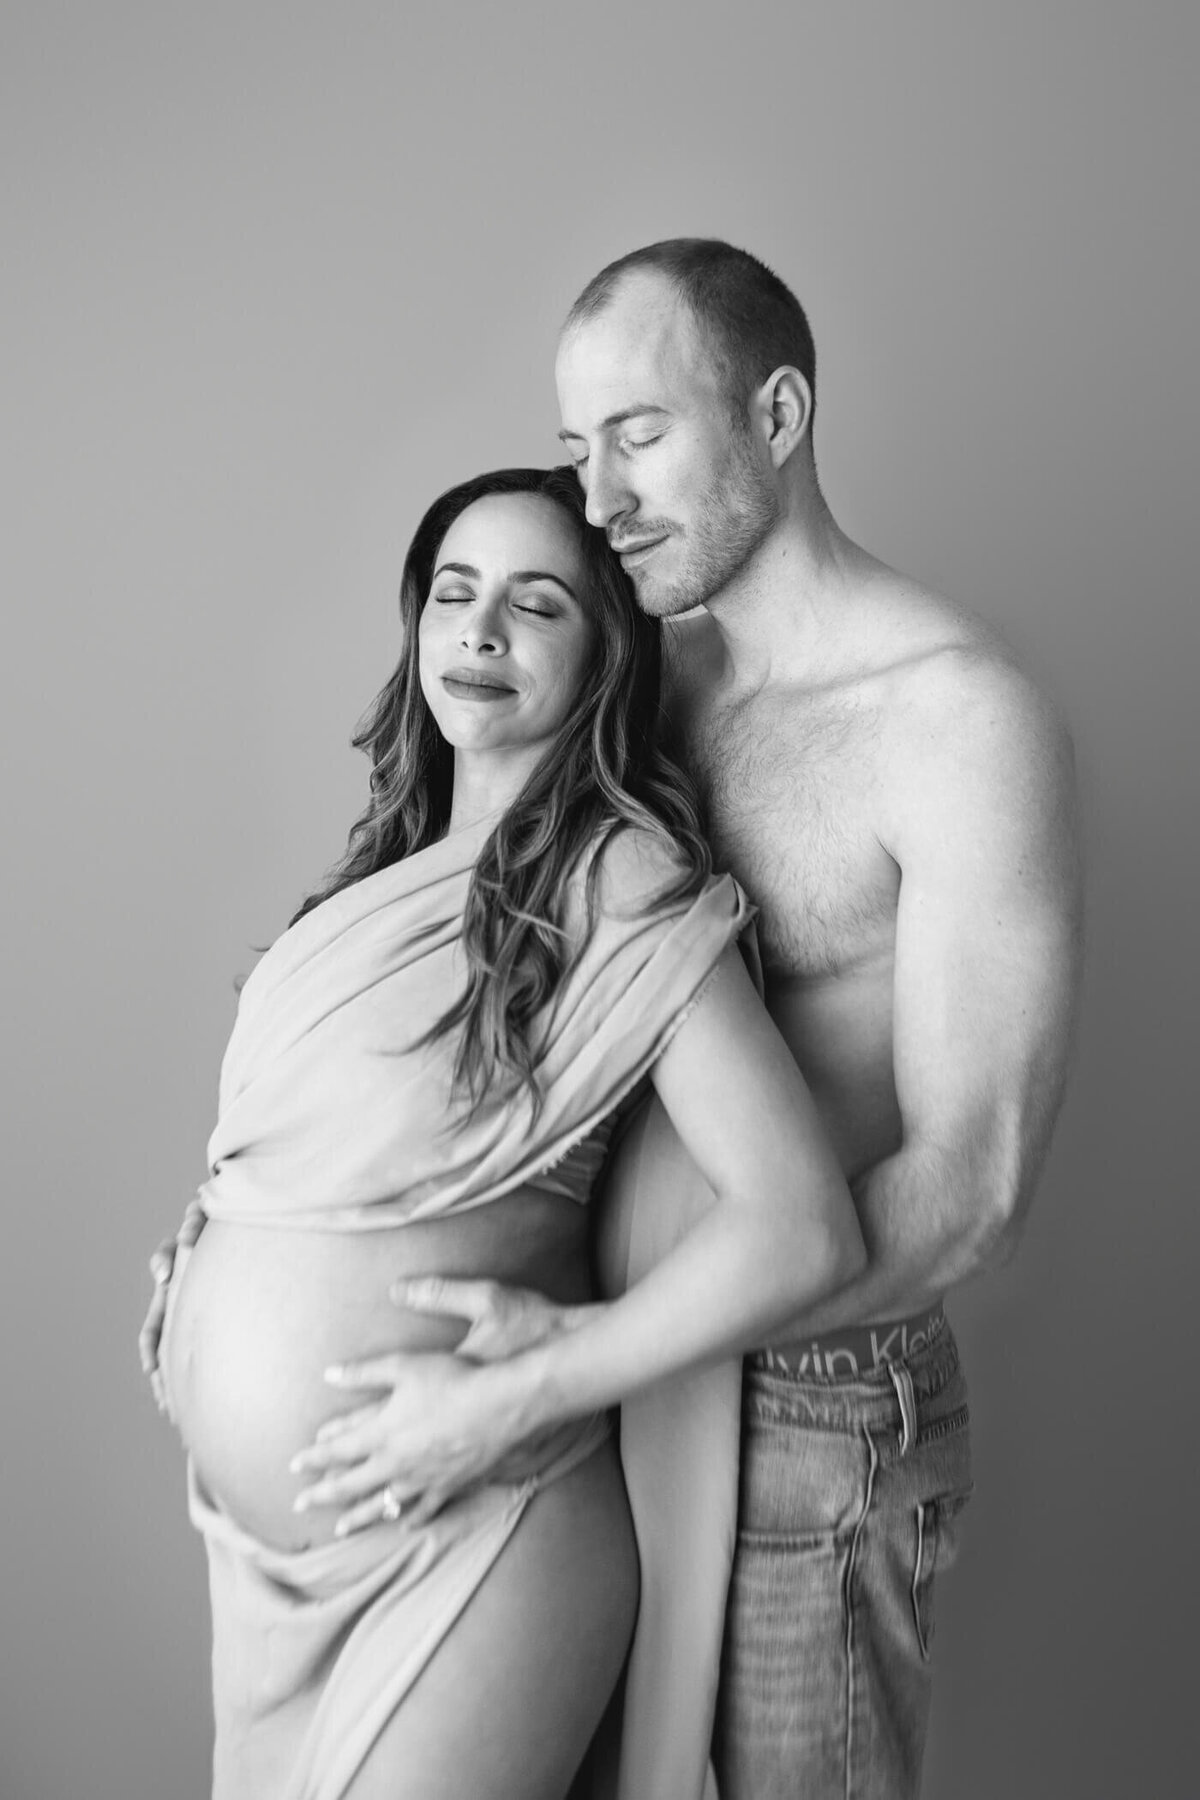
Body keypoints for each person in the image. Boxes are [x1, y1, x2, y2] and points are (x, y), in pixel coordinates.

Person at [285, 241, 1083, 1800]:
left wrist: (603, 1362)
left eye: (639, 434)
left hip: (807, 1401)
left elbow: (975, 1186)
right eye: (579, 447)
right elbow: (465, 953)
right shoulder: (636, 687)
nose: (597, 498)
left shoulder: (958, 722)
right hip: (586, 1368)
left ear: (777, 412)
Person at [141, 463, 867, 1800]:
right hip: (270, 1575)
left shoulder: (617, 878)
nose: (481, 632)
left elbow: (803, 1224)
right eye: (457, 594)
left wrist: (522, 1391)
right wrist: (209, 1267)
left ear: (602, 659)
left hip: (476, 1529)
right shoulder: (372, 881)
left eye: (537, 605)